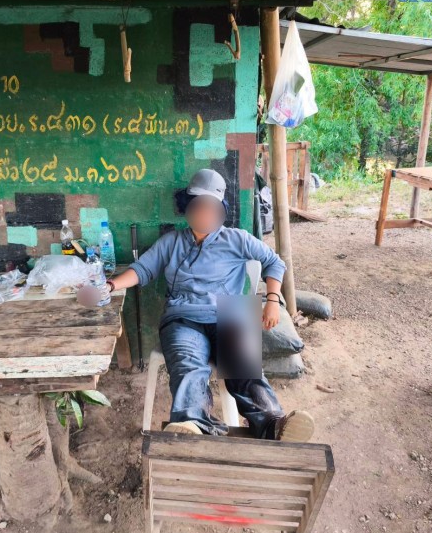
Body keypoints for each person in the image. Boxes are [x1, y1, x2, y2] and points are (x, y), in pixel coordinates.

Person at [105, 169, 314, 441]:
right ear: (187, 207)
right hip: (183, 317)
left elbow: (274, 262)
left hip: (231, 313)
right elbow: (143, 269)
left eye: (211, 207)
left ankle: (274, 425)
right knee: (189, 366)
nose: (205, 213)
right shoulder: (172, 242)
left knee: (243, 368)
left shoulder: (237, 238)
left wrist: (272, 299)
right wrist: (111, 285)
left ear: (220, 210)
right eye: (199, 205)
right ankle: (192, 423)